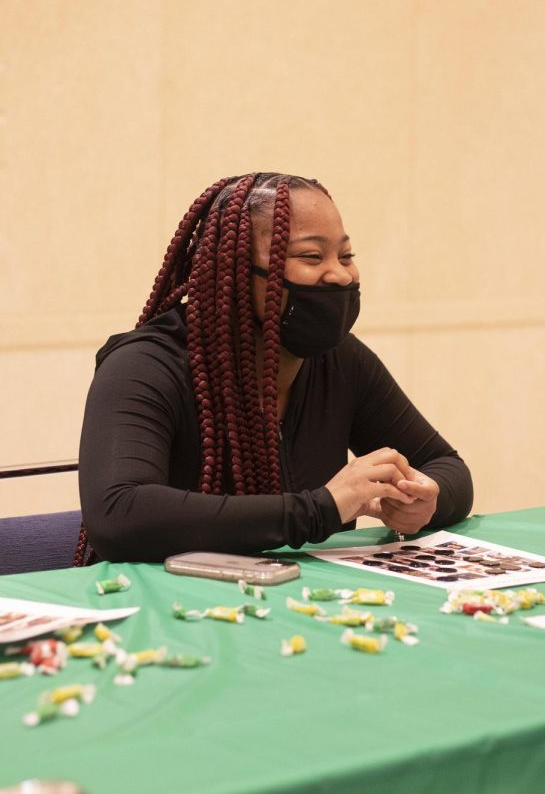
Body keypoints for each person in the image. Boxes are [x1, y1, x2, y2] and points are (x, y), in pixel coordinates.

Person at [75, 173, 473, 565]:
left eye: (346, 256)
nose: (340, 274)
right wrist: (322, 509)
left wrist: (425, 497)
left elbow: (448, 467)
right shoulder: (143, 365)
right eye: (311, 256)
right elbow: (118, 514)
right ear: (231, 270)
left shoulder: (340, 359)